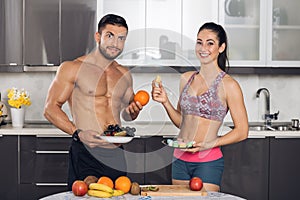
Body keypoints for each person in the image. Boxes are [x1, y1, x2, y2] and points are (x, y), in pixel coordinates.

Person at [44, 14, 143, 190]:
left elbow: (127, 114)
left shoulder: (124, 74)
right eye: (110, 36)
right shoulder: (73, 68)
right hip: (86, 151)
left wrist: (133, 111)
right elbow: (50, 108)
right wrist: (78, 133)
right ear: (98, 36)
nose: (115, 43)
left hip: (116, 153)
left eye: (121, 38)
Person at [151, 22, 248, 192]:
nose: (203, 48)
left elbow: (242, 131)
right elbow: (181, 122)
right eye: (199, 42)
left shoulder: (229, 85)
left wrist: (211, 143)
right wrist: (165, 102)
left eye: (210, 43)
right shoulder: (186, 79)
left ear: (221, 47)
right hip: (179, 159)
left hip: (208, 161)